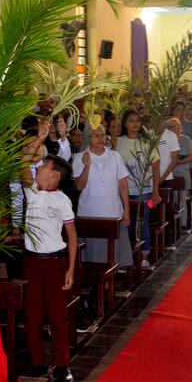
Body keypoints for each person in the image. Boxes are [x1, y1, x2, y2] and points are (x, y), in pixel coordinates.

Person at [17, 155, 77, 382]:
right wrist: (35, 144)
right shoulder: (32, 192)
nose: (37, 170)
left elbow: (71, 237)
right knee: (32, 315)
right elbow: (24, 167)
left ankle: (63, 364)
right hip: (32, 262)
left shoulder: (62, 200)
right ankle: (37, 361)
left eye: (43, 167)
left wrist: (70, 270)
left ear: (55, 175)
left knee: (57, 316)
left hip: (55, 263)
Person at [73, 124, 132, 266]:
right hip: (89, 212)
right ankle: (96, 280)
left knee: (112, 252)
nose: (100, 138)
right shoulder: (80, 157)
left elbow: (123, 185)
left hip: (113, 210)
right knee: (92, 254)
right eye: (95, 135)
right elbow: (79, 186)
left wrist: (127, 210)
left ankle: (109, 280)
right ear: (88, 138)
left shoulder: (114, 155)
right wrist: (86, 167)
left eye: (102, 134)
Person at [116, 110, 161, 266]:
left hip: (146, 192)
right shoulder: (118, 142)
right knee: (126, 222)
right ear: (125, 124)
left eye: (137, 120)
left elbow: (156, 168)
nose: (135, 123)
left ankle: (144, 255)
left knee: (143, 220)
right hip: (124, 192)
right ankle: (128, 255)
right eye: (131, 120)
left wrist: (156, 192)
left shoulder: (147, 142)